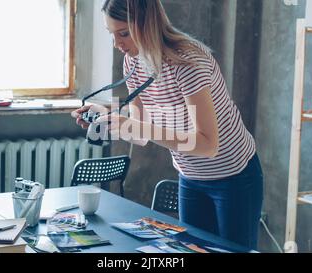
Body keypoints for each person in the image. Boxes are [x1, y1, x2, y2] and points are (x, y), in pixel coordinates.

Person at [72, 0, 263, 250]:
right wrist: (107, 117)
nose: (117, 44)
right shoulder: (133, 62)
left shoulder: (188, 62)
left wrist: (136, 127)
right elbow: (141, 129)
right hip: (190, 176)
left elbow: (207, 144)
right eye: (112, 34)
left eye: (124, 33)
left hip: (234, 174)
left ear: (147, 24)